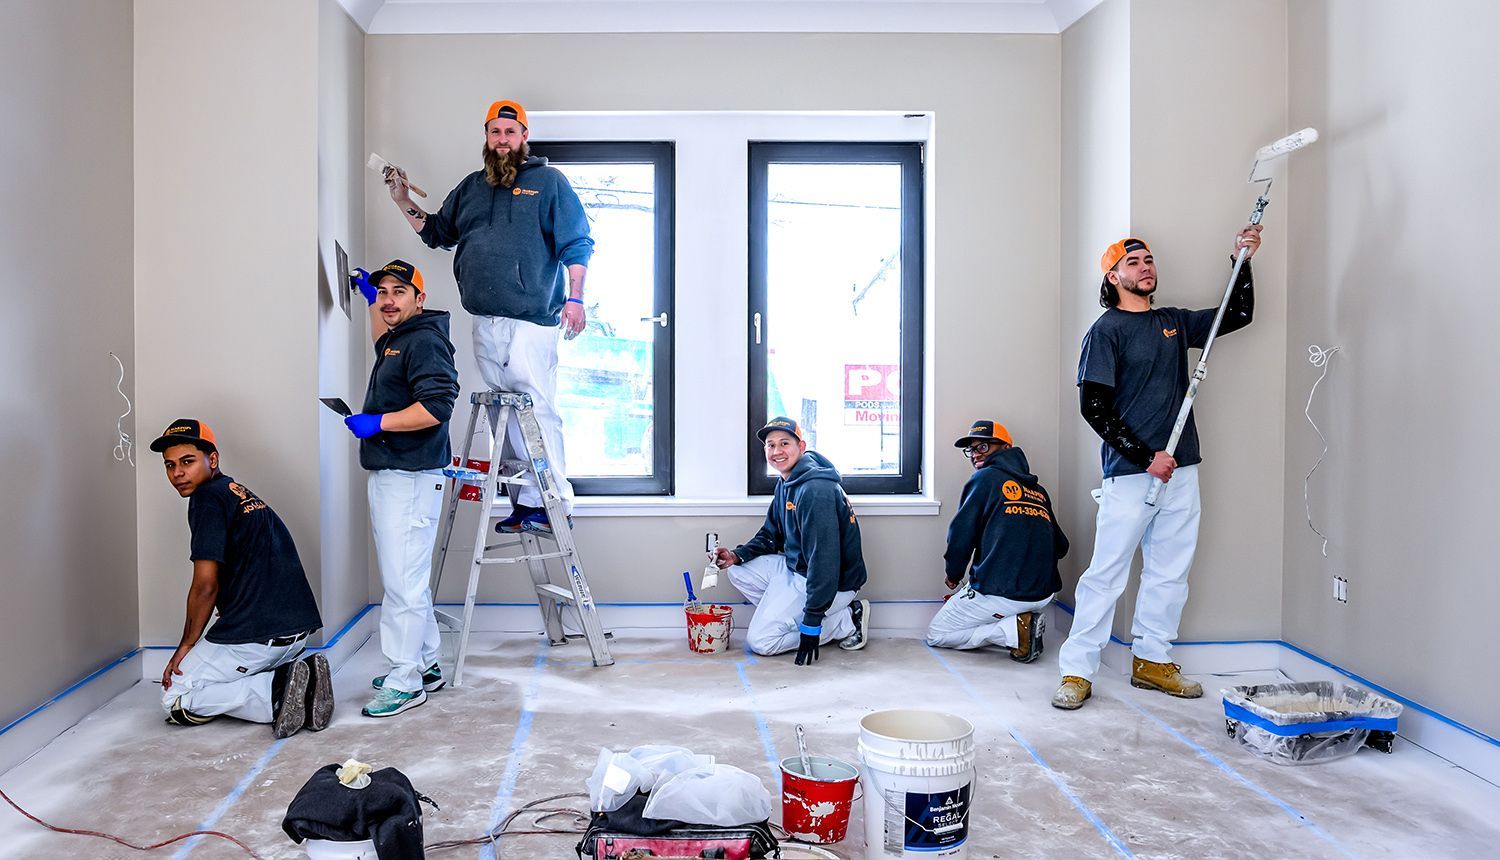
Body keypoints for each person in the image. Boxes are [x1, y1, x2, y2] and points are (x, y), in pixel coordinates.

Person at [1053, 225, 1261, 710]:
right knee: (1106, 574)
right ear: (1113, 276)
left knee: (1170, 571)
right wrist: (1147, 456)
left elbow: (1239, 312)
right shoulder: (1105, 332)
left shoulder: (1172, 322)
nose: (1146, 267)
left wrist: (1242, 260)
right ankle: (1077, 671)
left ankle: (1151, 660)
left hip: (1182, 469)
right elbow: (1095, 408)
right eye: (1134, 262)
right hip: (1130, 474)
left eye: (1149, 260)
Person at [384, 99, 593, 535]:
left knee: (536, 408)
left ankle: (556, 503)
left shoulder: (549, 183)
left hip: (531, 320)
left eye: (510, 133)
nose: (502, 140)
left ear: (523, 138)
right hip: (485, 319)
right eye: (495, 132)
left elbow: (577, 242)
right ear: (486, 137)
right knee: (504, 412)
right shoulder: (473, 187)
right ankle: (525, 502)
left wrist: (576, 298)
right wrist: (402, 199)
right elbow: (438, 233)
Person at [153, 419, 328, 738]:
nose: (178, 473)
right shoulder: (237, 493)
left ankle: (275, 693)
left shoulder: (206, 499)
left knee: (176, 698)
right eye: (170, 465)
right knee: (214, 677)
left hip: (259, 639)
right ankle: (299, 678)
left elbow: (205, 585)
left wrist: (187, 645)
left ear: (213, 460)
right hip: (297, 635)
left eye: (188, 462)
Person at [346, 260, 460, 718]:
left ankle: (405, 679)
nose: (389, 300)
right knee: (407, 579)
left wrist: (379, 422)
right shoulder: (397, 338)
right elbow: (382, 333)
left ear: (420, 298)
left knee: (402, 585)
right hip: (397, 472)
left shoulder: (425, 341)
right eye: (384, 292)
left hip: (409, 477)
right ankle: (427, 663)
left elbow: (437, 405)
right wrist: (370, 299)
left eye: (399, 292)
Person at [710, 417, 870, 664]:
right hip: (800, 570)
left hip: (833, 583)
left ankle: (844, 620)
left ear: (801, 447)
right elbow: (770, 535)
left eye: (784, 443)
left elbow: (825, 562)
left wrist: (812, 624)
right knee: (738, 571)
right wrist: (736, 555)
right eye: (770, 445)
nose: (777, 451)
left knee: (762, 642)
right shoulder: (787, 481)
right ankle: (790, 614)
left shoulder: (815, 491)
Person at [926, 420, 1067, 662]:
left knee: (937, 633)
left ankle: (1013, 632)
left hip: (1003, 592)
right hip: (1044, 593)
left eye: (983, 447)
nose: (975, 455)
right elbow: (1062, 546)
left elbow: (961, 534)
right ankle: (1022, 620)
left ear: (1005, 448)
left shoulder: (984, 479)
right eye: (971, 450)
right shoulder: (1038, 491)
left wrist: (953, 574)